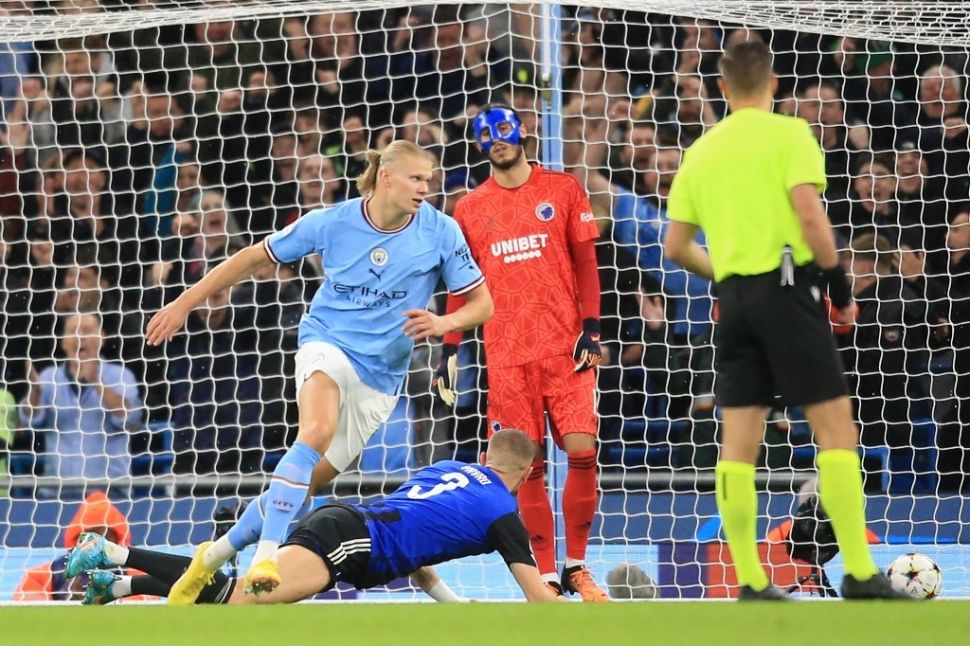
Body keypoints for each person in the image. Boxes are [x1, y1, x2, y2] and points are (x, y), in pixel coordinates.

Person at [146, 140, 493, 600]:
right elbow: (251, 257)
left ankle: (208, 559)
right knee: (315, 430)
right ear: (386, 177)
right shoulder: (332, 221)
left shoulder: (441, 232)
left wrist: (444, 322)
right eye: (416, 178)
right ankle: (264, 554)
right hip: (326, 343)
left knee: (302, 485)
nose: (425, 188)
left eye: (428, 180)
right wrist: (183, 303)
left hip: (380, 379)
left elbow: (483, 303)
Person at [662, 40, 908, 600]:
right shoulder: (791, 133)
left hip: (734, 304)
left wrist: (725, 271)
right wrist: (841, 285)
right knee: (836, 430)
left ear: (722, 88)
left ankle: (751, 580)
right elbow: (809, 213)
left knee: (738, 444)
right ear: (773, 83)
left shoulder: (702, 149)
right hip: (789, 287)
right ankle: (861, 573)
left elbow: (673, 244)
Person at [67, 429, 557, 605]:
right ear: (529, 470)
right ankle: (113, 552)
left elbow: (415, 553)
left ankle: (121, 586)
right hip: (350, 542)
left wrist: (453, 605)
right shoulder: (502, 511)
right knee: (239, 599)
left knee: (234, 593)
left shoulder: (446, 470)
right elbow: (539, 598)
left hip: (344, 522)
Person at [436, 104, 608, 602]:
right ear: (477, 145)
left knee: (582, 450)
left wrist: (591, 329)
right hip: (506, 352)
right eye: (484, 134)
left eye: (504, 128)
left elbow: (587, 264)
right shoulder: (468, 208)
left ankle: (578, 565)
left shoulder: (563, 189)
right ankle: (549, 574)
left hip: (564, 347)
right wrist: (451, 344)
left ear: (524, 131)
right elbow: (459, 283)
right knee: (526, 465)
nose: (496, 138)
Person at [19, 312, 144, 485]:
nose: (80, 337)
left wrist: (96, 382)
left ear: (102, 337)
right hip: (57, 491)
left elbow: (132, 420)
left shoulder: (121, 375)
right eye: (73, 331)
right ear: (63, 341)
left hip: (111, 490)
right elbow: (29, 421)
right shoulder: (48, 377)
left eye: (86, 331)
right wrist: (35, 391)